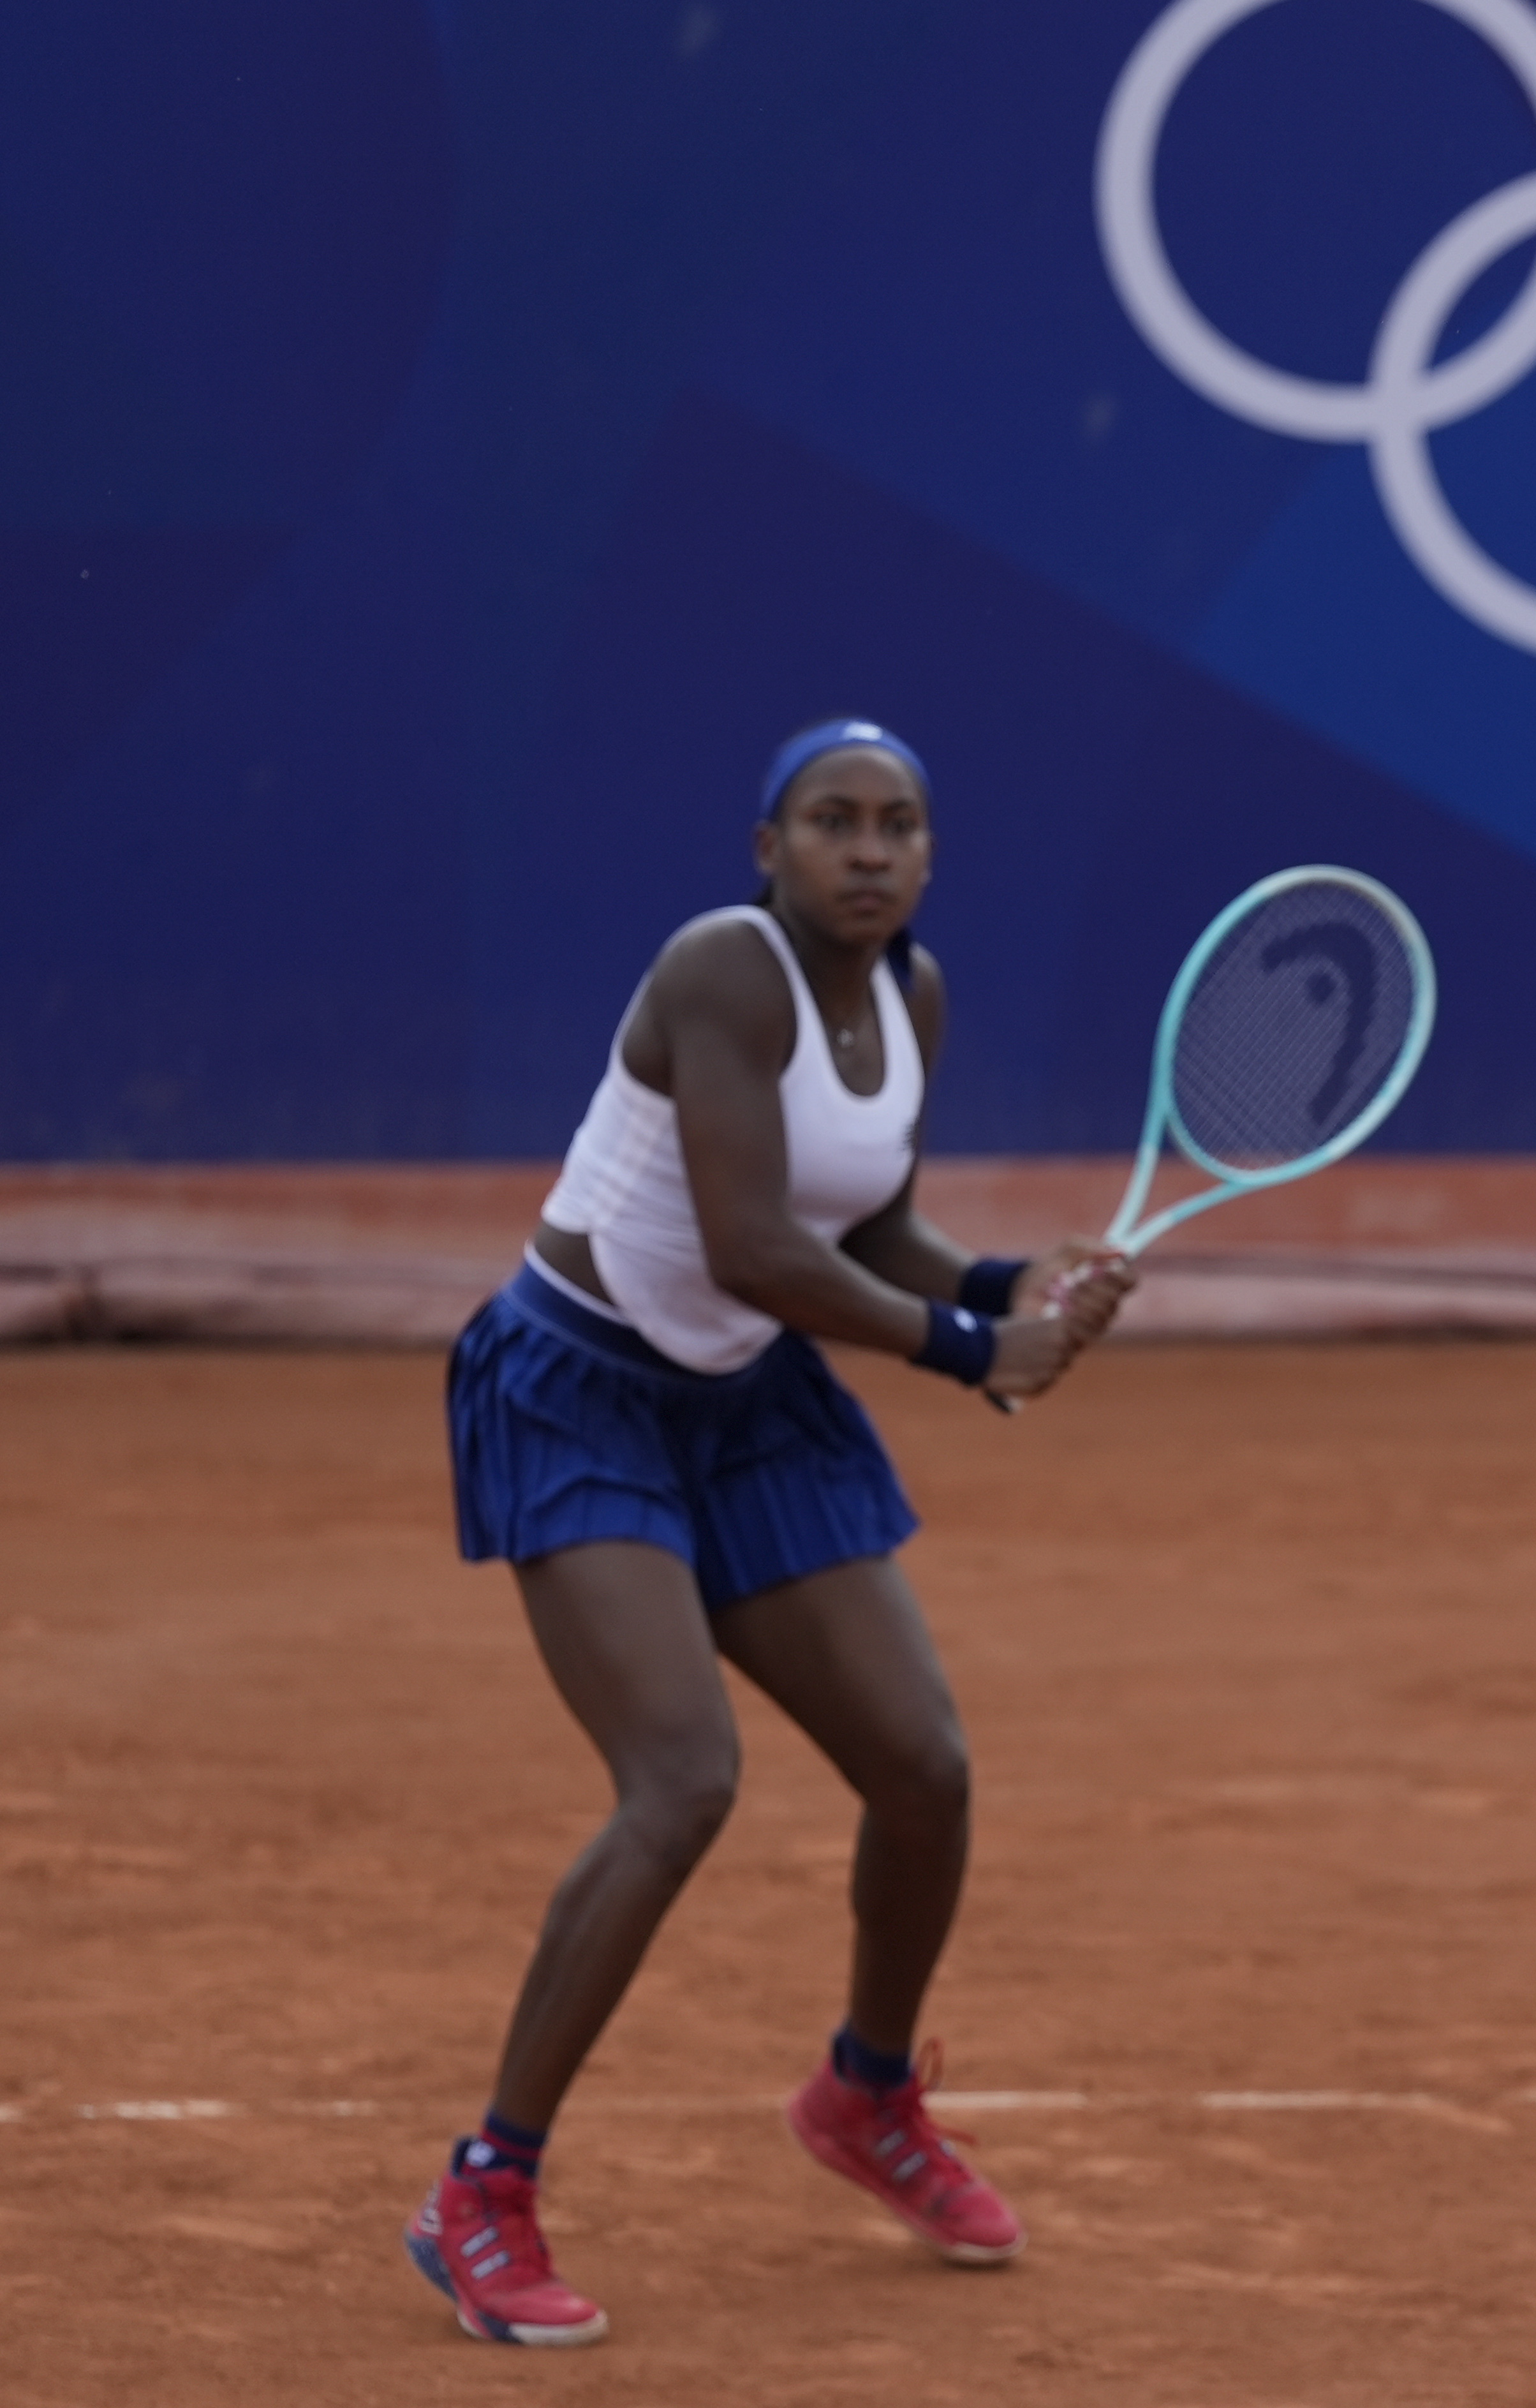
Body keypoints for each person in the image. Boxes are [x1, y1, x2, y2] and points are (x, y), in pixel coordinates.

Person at [405, 719, 1136, 2347]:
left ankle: (866, 2094)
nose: (868, 851)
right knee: (681, 1779)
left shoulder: (914, 994)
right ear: (768, 846)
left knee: (924, 1766)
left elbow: (859, 1217)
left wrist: (1009, 1284)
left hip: (745, 1411)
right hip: (581, 1389)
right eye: (832, 822)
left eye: (898, 826)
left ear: (931, 855)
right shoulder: (722, 971)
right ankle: (482, 2191)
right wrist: (967, 1353)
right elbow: (746, 1243)